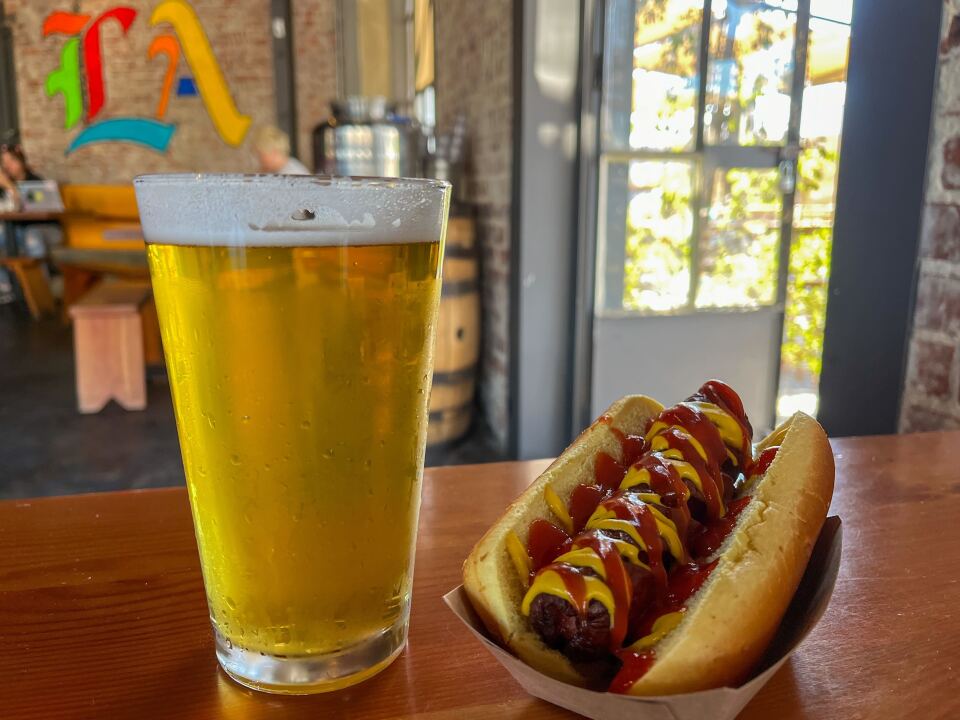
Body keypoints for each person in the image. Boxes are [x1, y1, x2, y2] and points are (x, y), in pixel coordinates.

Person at [0, 142, 42, 210]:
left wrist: (9, 186)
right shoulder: (3, 184)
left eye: (11, 161)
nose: (7, 166)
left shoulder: (35, 182)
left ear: (22, 163)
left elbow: (31, 206)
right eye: (4, 162)